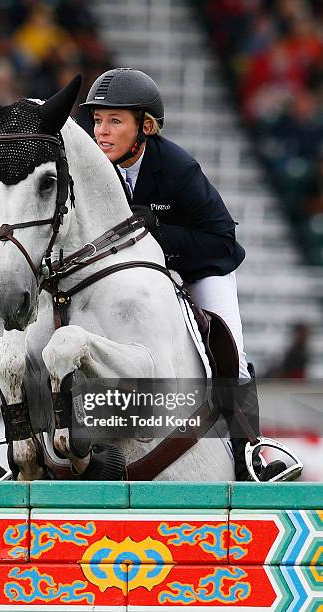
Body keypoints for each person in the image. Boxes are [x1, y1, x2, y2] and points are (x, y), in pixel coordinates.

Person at [81, 67, 301, 481]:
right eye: (97, 120)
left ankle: (250, 452)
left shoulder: (177, 168)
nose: (102, 132)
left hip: (200, 270)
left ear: (145, 127)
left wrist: (157, 233)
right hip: (135, 278)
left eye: (114, 121)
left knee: (230, 356)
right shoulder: (94, 169)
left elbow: (221, 239)